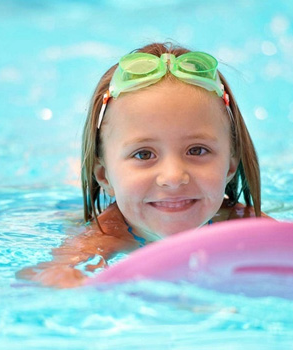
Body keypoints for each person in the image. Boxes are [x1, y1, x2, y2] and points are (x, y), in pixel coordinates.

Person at [17, 42, 267, 288]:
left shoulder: (241, 224)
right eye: (144, 155)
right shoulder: (110, 233)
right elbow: (49, 274)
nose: (173, 177)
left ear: (230, 167)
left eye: (197, 150)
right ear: (104, 176)